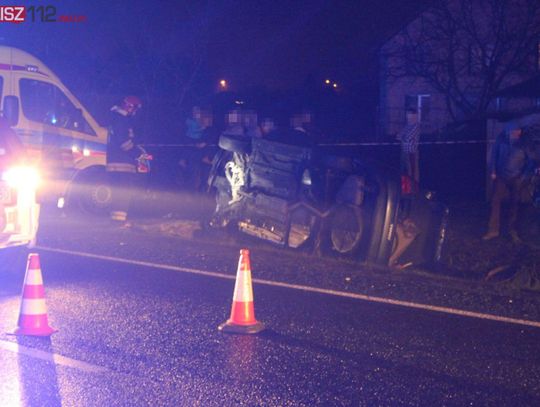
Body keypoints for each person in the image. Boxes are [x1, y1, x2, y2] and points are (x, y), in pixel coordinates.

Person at [483, 121, 530, 243]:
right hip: (501, 176)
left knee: (514, 204)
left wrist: (523, 176)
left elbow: (530, 161)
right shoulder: (501, 141)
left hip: (516, 177)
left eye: (519, 131)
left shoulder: (524, 143)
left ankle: (511, 230)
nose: (517, 133)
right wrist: (493, 170)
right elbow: (494, 156)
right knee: (495, 202)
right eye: (515, 131)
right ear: (509, 131)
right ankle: (493, 230)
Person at [106, 95, 142, 226]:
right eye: (135, 109)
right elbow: (124, 143)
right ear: (130, 108)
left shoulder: (116, 119)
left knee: (118, 192)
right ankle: (119, 221)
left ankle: (116, 220)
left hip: (115, 161)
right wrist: (137, 152)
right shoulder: (122, 121)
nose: (136, 112)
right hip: (123, 162)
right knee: (123, 192)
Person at [397, 109, 421, 193]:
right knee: (404, 171)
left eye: (410, 115)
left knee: (412, 171)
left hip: (412, 152)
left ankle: (414, 190)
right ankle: (405, 189)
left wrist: (403, 137)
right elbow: (399, 136)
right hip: (404, 151)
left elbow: (407, 137)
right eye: (408, 115)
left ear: (414, 116)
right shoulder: (407, 126)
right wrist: (402, 137)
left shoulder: (416, 126)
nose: (408, 117)